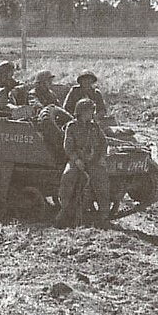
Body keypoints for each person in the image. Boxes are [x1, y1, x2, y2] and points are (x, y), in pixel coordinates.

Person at [55, 98, 111, 228]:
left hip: (94, 161)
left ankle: (104, 215)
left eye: (92, 110)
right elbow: (68, 147)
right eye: (89, 111)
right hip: (77, 160)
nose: (92, 113)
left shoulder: (94, 126)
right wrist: (76, 160)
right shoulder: (72, 126)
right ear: (81, 112)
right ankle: (63, 209)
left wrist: (102, 157)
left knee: (102, 181)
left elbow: (104, 142)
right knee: (67, 177)